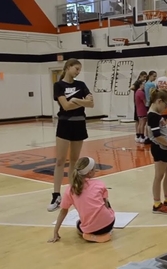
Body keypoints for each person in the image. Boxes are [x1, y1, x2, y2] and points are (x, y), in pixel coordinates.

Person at [48, 58, 94, 212]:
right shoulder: (58, 85)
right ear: (68, 67)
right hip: (65, 124)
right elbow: (65, 106)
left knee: (75, 160)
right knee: (61, 160)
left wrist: (75, 100)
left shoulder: (81, 85)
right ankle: (56, 195)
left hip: (79, 123)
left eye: (79, 69)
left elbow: (91, 103)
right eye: (76, 68)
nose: (78, 72)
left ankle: (71, 191)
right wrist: (81, 101)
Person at [48, 157, 115, 243]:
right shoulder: (100, 184)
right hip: (109, 224)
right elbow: (106, 204)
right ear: (90, 173)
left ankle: (89, 235)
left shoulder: (70, 189)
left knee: (78, 224)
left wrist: (55, 232)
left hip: (91, 229)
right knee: (106, 202)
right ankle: (107, 232)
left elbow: (63, 211)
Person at [131, 71, 147, 142]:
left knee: (140, 122)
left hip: (138, 106)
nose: (145, 79)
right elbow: (131, 87)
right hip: (140, 107)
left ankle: (139, 135)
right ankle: (140, 135)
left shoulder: (138, 91)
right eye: (144, 77)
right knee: (140, 122)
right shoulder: (138, 86)